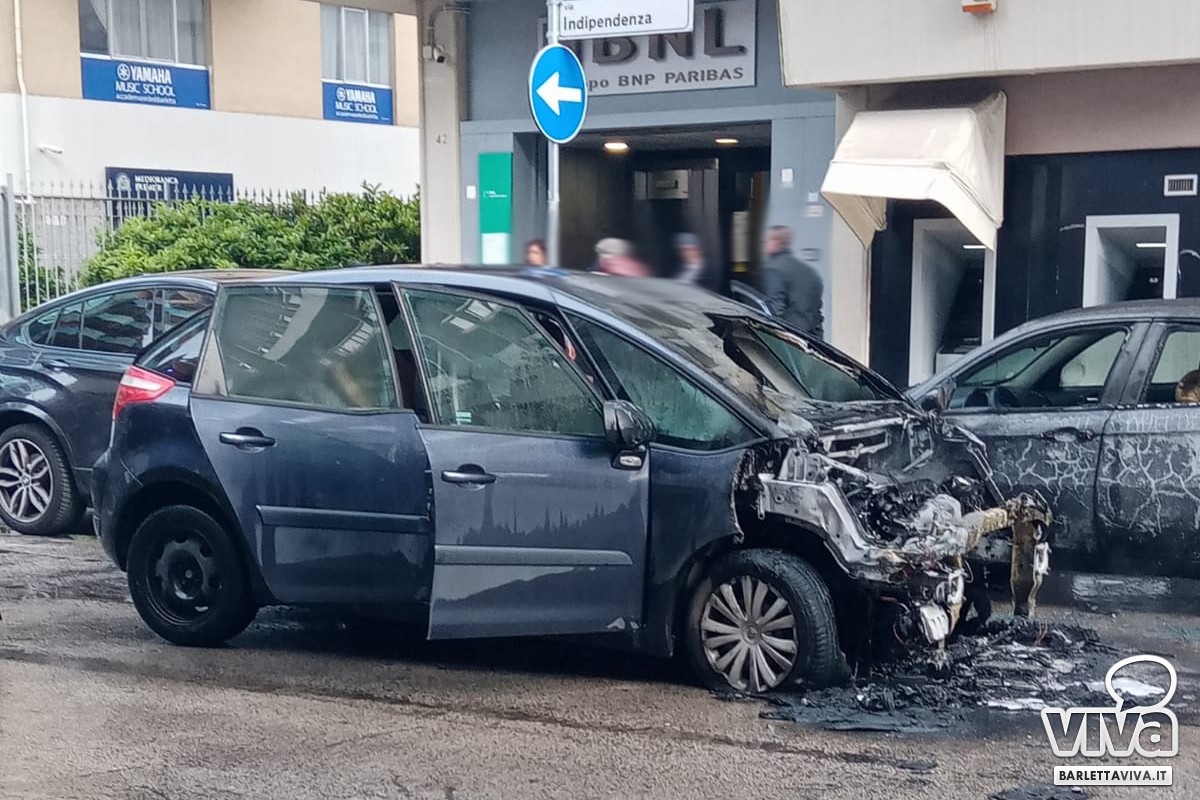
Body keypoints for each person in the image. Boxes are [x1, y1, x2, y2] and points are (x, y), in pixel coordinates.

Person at [762, 225, 824, 339]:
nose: (764, 245)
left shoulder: (773, 270)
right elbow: (817, 315)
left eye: (766, 241)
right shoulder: (811, 273)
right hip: (812, 340)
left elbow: (773, 312)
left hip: (788, 339)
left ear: (775, 243)